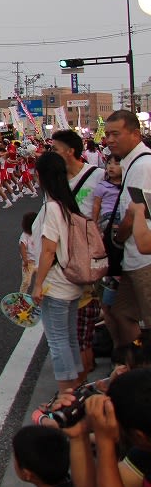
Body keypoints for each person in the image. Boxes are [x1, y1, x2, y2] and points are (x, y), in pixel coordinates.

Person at [30, 152, 89, 393]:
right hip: (72, 281)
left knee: (58, 340)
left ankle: (66, 393)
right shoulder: (67, 204)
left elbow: (48, 251)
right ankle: (75, 387)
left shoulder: (52, 208)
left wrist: (37, 284)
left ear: (41, 176)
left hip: (56, 283)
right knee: (69, 337)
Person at [103, 110, 151, 350]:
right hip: (135, 258)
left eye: (115, 134)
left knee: (139, 317)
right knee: (120, 312)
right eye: (106, 134)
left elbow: (135, 213)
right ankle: (133, 362)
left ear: (135, 133)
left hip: (144, 258)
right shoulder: (131, 163)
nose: (109, 140)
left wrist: (117, 238)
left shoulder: (143, 165)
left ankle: (141, 370)